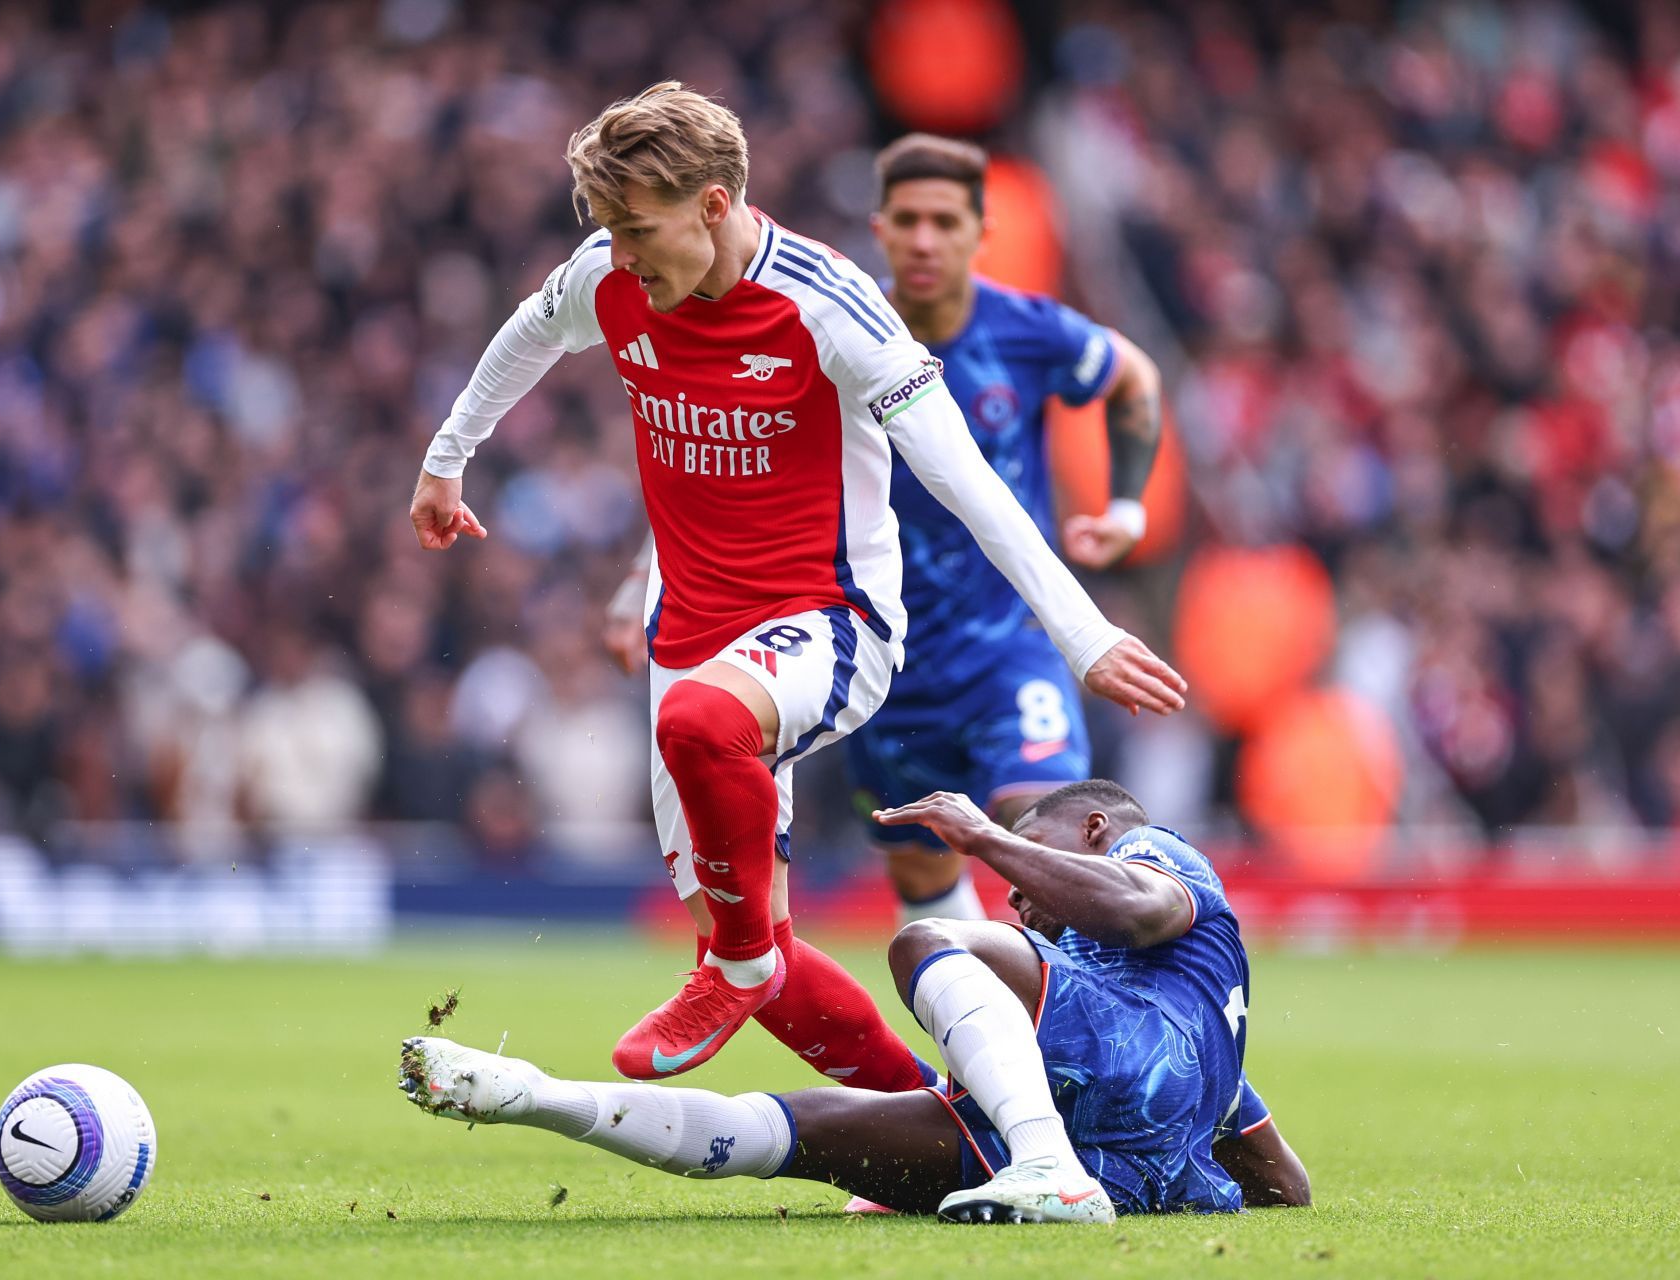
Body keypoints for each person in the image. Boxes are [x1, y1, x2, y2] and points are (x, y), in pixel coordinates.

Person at [411, 82, 1187, 1087]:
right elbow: (528, 331)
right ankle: (937, 1127)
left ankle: (736, 963)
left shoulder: (832, 308)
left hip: (829, 622)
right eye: (611, 230)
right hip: (685, 628)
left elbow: (971, 484)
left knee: (700, 738)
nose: (625, 254)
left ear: (716, 204)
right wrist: (447, 457)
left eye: (640, 227)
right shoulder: (608, 273)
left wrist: (1083, 635)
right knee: (761, 945)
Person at [401, 780, 1309, 1223]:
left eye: (1043, 854)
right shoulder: (1201, 1045)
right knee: (795, 1136)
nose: (1018, 894)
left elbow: (1139, 906)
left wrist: (989, 837)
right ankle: (540, 1097)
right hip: (1131, 1166)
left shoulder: (1162, 855)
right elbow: (1286, 1188)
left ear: (1099, 831)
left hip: (1093, 1119)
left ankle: (1045, 1170)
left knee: (927, 940)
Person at [856, 134, 1169, 925]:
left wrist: (1127, 505)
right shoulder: (844, 335)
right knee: (924, 884)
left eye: (945, 221)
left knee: (1056, 832)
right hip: (881, 659)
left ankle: (1081, 1033)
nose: (926, 239)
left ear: (979, 232)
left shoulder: (1025, 331)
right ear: (880, 228)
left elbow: (1135, 376)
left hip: (1009, 645)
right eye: (909, 220)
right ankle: (980, 1040)